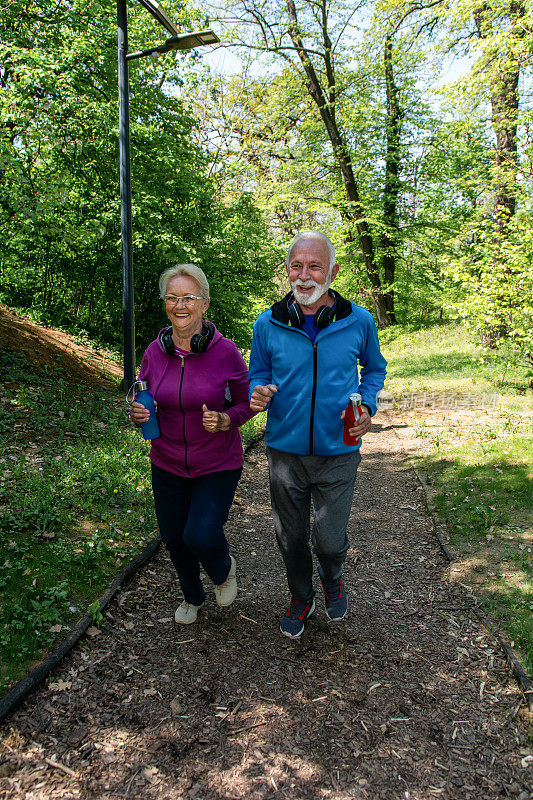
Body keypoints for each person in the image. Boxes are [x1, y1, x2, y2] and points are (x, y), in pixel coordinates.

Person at [248, 232, 387, 638]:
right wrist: (258, 391)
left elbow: (374, 370)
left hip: (339, 450)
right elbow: (258, 373)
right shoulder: (267, 323)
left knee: (328, 541)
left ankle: (333, 577)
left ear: (332, 272)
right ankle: (301, 596)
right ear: (287, 269)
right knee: (290, 538)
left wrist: (369, 405)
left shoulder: (358, 320)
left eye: (314, 266)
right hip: (284, 453)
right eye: (296, 266)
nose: (304, 276)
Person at [130, 264, 254, 625]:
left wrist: (227, 419)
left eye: (188, 297)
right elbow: (143, 394)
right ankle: (192, 596)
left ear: (204, 304)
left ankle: (223, 567)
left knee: (200, 533)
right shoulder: (155, 351)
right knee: (173, 537)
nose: (179, 305)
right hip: (166, 460)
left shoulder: (226, 352)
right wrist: (137, 411)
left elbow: (248, 402)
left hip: (217, 462)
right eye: (172, 297)